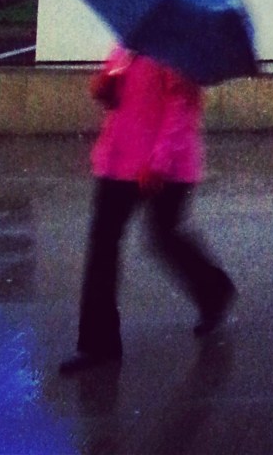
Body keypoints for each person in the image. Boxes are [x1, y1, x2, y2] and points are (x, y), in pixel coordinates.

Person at [59, 44, 235, 375]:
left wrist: (158, 162)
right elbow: (119, 99)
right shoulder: (127, 45)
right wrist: (105, 89)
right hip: (117, 162)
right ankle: (98, 345)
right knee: (102, 246)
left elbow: (181, 108)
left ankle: (214, 289)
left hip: (165, 166)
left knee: (163, 236)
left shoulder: (177, 49)